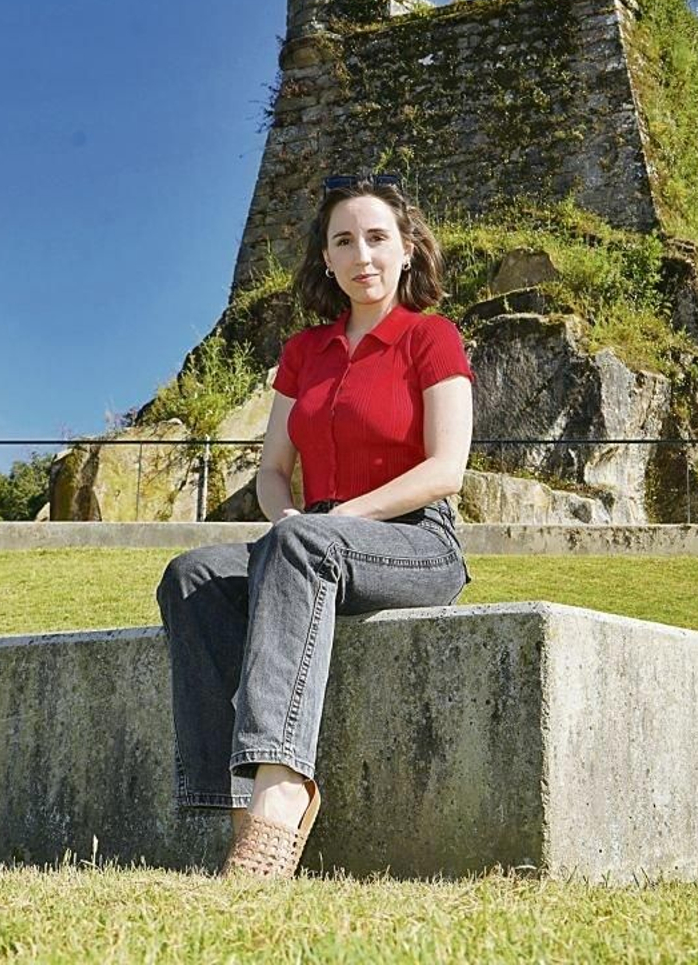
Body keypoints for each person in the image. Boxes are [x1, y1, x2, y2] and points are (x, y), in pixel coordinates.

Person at [154, 173, 476, 879]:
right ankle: (239, 802)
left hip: (417, 542)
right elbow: (272, 469)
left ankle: (282, 788)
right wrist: (291, 520)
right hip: (316, 543)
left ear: (408, 249)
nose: (362, 254)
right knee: (193, 574)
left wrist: (329, 523)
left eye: (377, 237)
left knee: (302, 543)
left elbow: (446, 468)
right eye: (343, 241)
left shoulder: (432, 337)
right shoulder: (304, 352)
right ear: (325, 259)